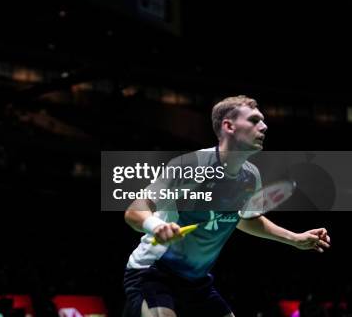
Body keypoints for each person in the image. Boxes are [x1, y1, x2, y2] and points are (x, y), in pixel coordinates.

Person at [123, 95, 331, 317]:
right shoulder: (191, 166)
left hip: (197, 281)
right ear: (229, 126)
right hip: (154, 271)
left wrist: (295, 238)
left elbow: (244, 218)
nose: (264, 126)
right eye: (254, 120)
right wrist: (156, 226)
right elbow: (135, 210)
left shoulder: (251, 177)